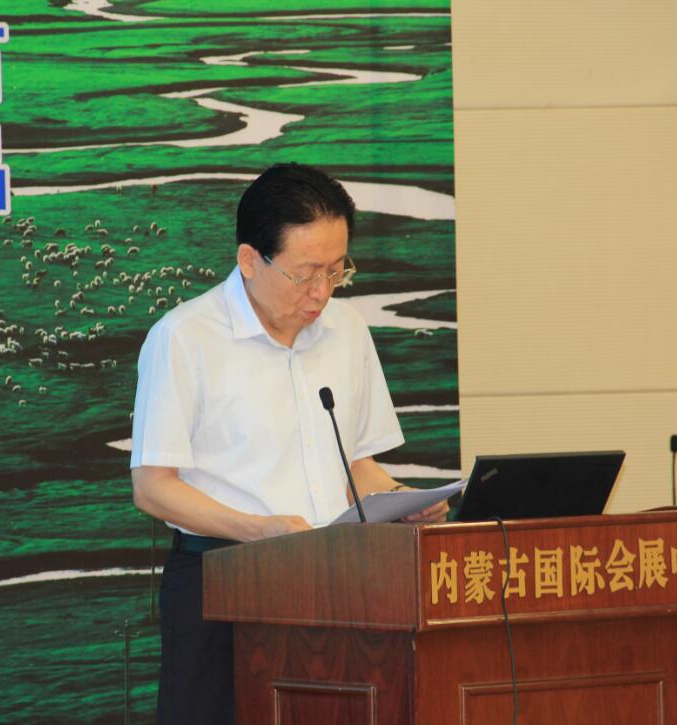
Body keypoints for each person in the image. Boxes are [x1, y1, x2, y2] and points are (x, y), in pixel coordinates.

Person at [130, 162, 448, 725]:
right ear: (250, 260)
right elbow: (153, 488)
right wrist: (261, 531)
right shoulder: (184, 338)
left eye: (336, 270)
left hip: (337, 585)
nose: (322, 291)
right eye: (305, 274)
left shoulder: (347, 331)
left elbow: (357, 467)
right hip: (220, 585)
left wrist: (405, 499)